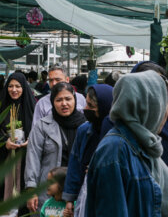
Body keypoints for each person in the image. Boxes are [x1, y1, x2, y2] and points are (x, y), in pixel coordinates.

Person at [86, 70, 168, 217]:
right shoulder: (114, 151)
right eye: (164, 108)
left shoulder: (146, 147)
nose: (166, 115)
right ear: (148, 108)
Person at [25, 82, 86, 213]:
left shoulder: (86, 125)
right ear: (53, 102)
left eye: (68, 99)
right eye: (59, 100)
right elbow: (33, 158)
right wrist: (31, 189)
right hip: (50, 193)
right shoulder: (42, 126)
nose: (64, 103)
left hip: (78, 191)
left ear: (74, 100)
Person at [62, 84, 113, 216]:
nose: (85, 109)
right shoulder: (84, 130)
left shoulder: (115, 135)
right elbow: (75, 164)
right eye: (86, 104)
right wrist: (69, 198)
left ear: (104, 107)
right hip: (84, 195)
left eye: (91, 106)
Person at [0, 72, 36, 216]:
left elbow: (39, 128)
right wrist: (4, 142)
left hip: (26, 157)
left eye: (18, 86)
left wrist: (31, 140)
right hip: (5, 157)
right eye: (10, 86)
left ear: (24, 87)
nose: (14, 90)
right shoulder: (2, 106)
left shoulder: (31, 106)